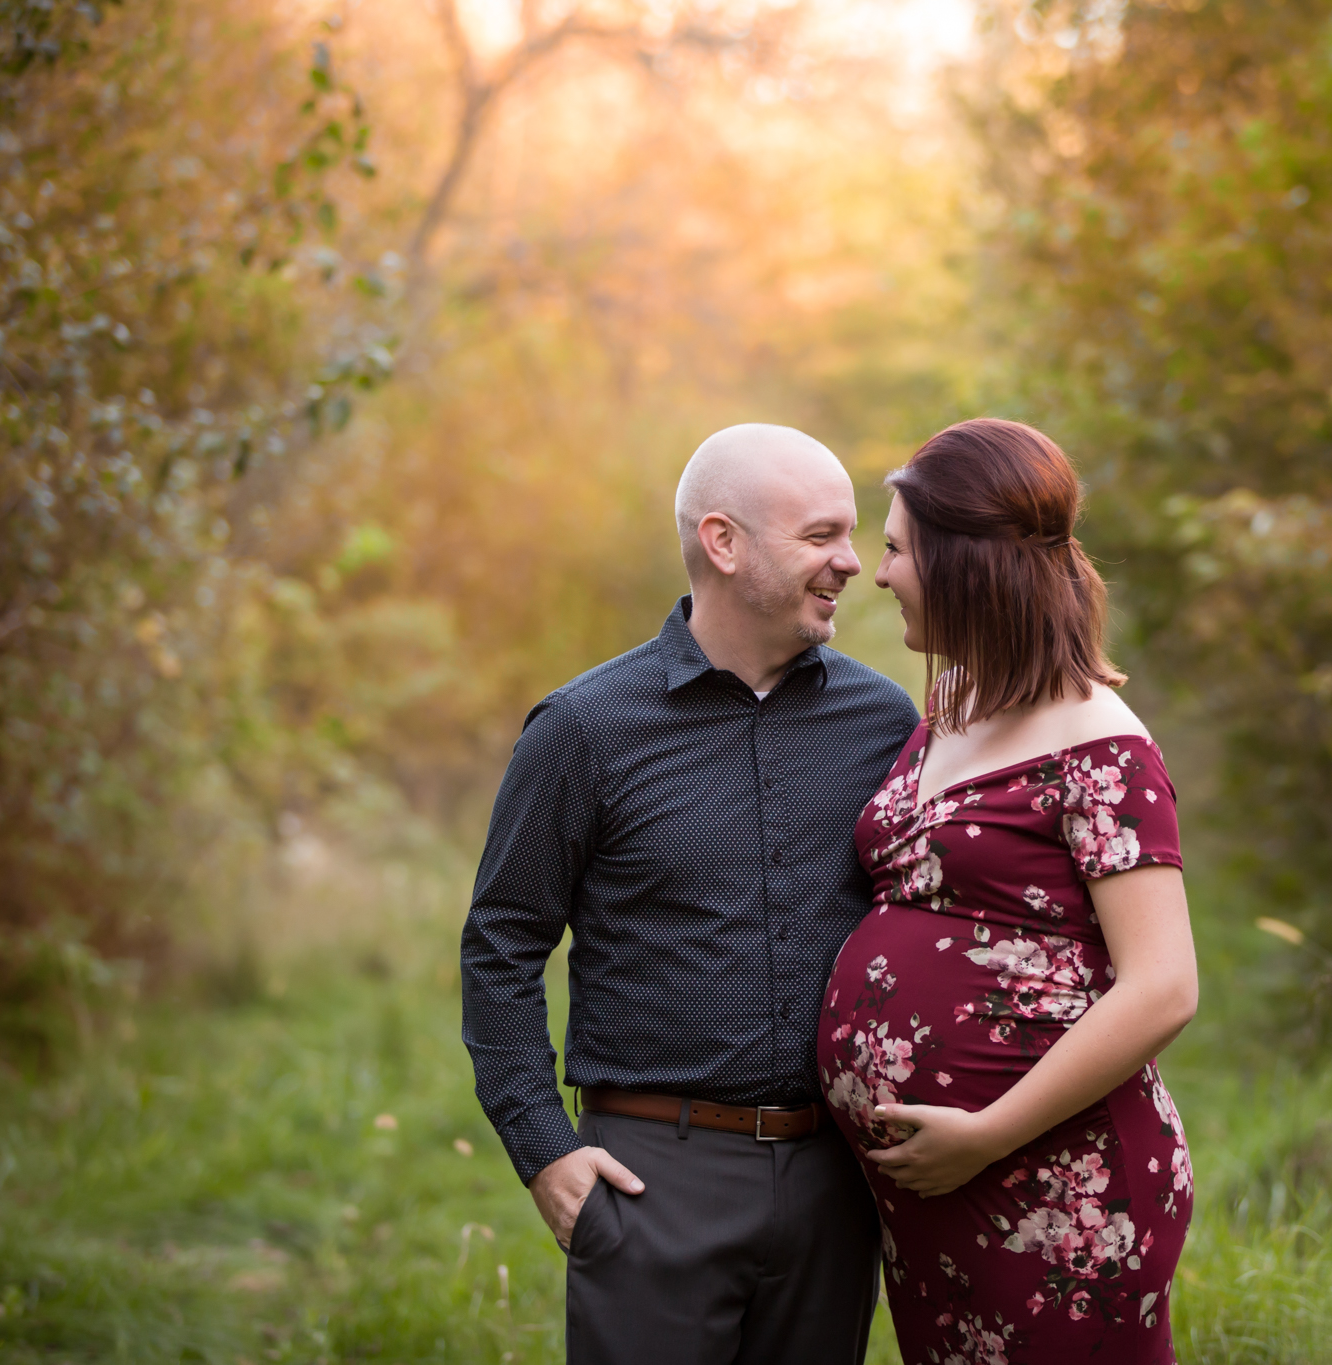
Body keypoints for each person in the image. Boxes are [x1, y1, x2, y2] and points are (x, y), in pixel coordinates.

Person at [462, 423, 920, 1365]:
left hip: (839, 1181)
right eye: (822, 535)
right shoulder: (586, 728)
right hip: (651, 1179)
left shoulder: (884, 721)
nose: (852, 563)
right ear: (724, 542)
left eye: (855, 536)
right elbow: (502, 941)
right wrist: (543, 1147)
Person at [818, 418, 1199, 1363]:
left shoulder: (1103, 746)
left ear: (966, 565)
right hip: (940, 1194)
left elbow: (1164, 986)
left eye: (899, 549)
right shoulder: (952, 705)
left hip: (1057, 1186)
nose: (879, 572)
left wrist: (986, 1135)